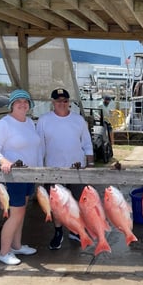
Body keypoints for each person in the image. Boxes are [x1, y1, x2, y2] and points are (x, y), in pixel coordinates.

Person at [0, 89, 42, 265]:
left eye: (25, 101)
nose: (22, 104)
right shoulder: (3, 124)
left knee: (21, 213)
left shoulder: (29, 123)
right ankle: (4, 252)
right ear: (11, 105)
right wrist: (3, 160)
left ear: (29, 105)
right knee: (15, 215)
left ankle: (17, 246)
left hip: (28, 175)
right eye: (18, 101)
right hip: (12, 177)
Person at [36, 88, 94, 250]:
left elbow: (87, 144)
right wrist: (39, 170)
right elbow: (39, 147)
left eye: (65, 101)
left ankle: (75, 230)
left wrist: (90, 165)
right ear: (53, 103)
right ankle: (58, 231)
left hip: (77, 169)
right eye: (58, 101)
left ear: (69, 102)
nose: (62, 104)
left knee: (77, 202)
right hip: (53, 170)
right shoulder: (43, 120)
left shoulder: (79, 120)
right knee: (57, 206)